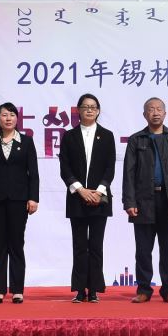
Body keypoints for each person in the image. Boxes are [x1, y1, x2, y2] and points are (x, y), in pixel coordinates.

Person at [122, 97, 168, 303]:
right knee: (143, 250)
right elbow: (128, 173)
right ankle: (144, 290)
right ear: (145, 114)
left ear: (165, 113)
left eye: (159, 109)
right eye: (151, 109)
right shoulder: (136, 140)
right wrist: (129, 202)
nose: (155, 112)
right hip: (144, 201)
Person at [0, 102, 40, 304]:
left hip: (19, 200)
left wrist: (33, 198)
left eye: (12, 114)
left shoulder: (26, 142)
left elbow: (33, 173)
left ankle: (18, 290)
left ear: (17, 118)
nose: (8, 118)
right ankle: (0, 290)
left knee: (16, 244)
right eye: (4, 115)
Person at [58, 93, 116, 302]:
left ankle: (94, 290)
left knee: (96, 246)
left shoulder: (107, 135)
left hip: (100, 199)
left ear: (98, 111)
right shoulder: (69, 136)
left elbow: (110, 167)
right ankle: (80, 289)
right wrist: (80, 190)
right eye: (85, 107)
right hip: (77, 198)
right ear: (78, 111)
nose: (89, 110)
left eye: (93, 107)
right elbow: (65, 167)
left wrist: (98, 191)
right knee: (80, 245)